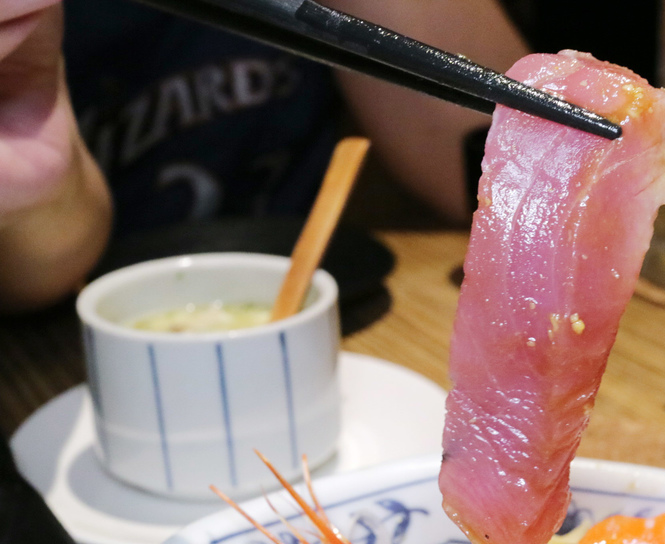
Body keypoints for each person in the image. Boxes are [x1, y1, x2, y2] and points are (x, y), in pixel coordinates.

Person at [0, 0, 529, 313]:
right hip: (66, 355)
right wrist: (39, 188)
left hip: (347, 310)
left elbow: (508, 180)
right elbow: (40, 266)